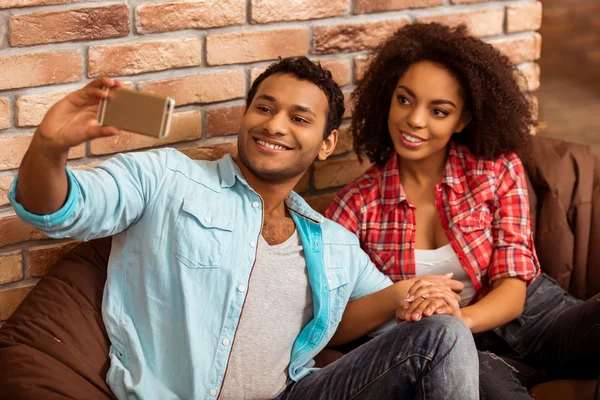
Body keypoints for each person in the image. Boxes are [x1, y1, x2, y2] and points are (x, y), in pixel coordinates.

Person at [9, 56, 479, 399]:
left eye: (299, 118)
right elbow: (57, 211)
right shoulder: (167, 179)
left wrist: (422, 296)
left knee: (445, 333)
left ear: (325, 143)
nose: (275, 125)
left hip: (295, 394)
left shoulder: (333, 242)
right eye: (264, 108)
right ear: (246, 114)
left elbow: (398, 324)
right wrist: (49, 147)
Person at [326, 22, 600, 398]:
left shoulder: (497, 170)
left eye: (439, 111)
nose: (415, 120)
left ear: (463, 120)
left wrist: (458, 319)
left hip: (540, 318)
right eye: (404, 99)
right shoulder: (356, 205)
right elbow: (330, 324)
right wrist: (405, 299)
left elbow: (513, 288)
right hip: (471, 352)